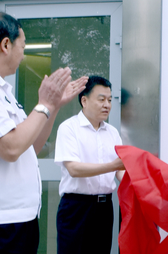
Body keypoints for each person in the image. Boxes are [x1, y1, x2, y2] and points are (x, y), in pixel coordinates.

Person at [0, 12, 88, 254]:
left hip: (12, 221)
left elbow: (30, 146)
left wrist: (52, 107)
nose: (23, 55)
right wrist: (44, 103)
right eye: (22, 46)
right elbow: (11, 148)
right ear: (5, 44)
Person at [54, 76, 125, 254]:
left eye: (109, 100)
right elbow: (74, 169)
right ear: (84, 101)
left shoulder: (112, 132)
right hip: (76, 208)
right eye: (101, 99)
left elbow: (120, 170)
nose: (107, 105)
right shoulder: (69, 128)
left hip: (104, 209)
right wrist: (112, 166)